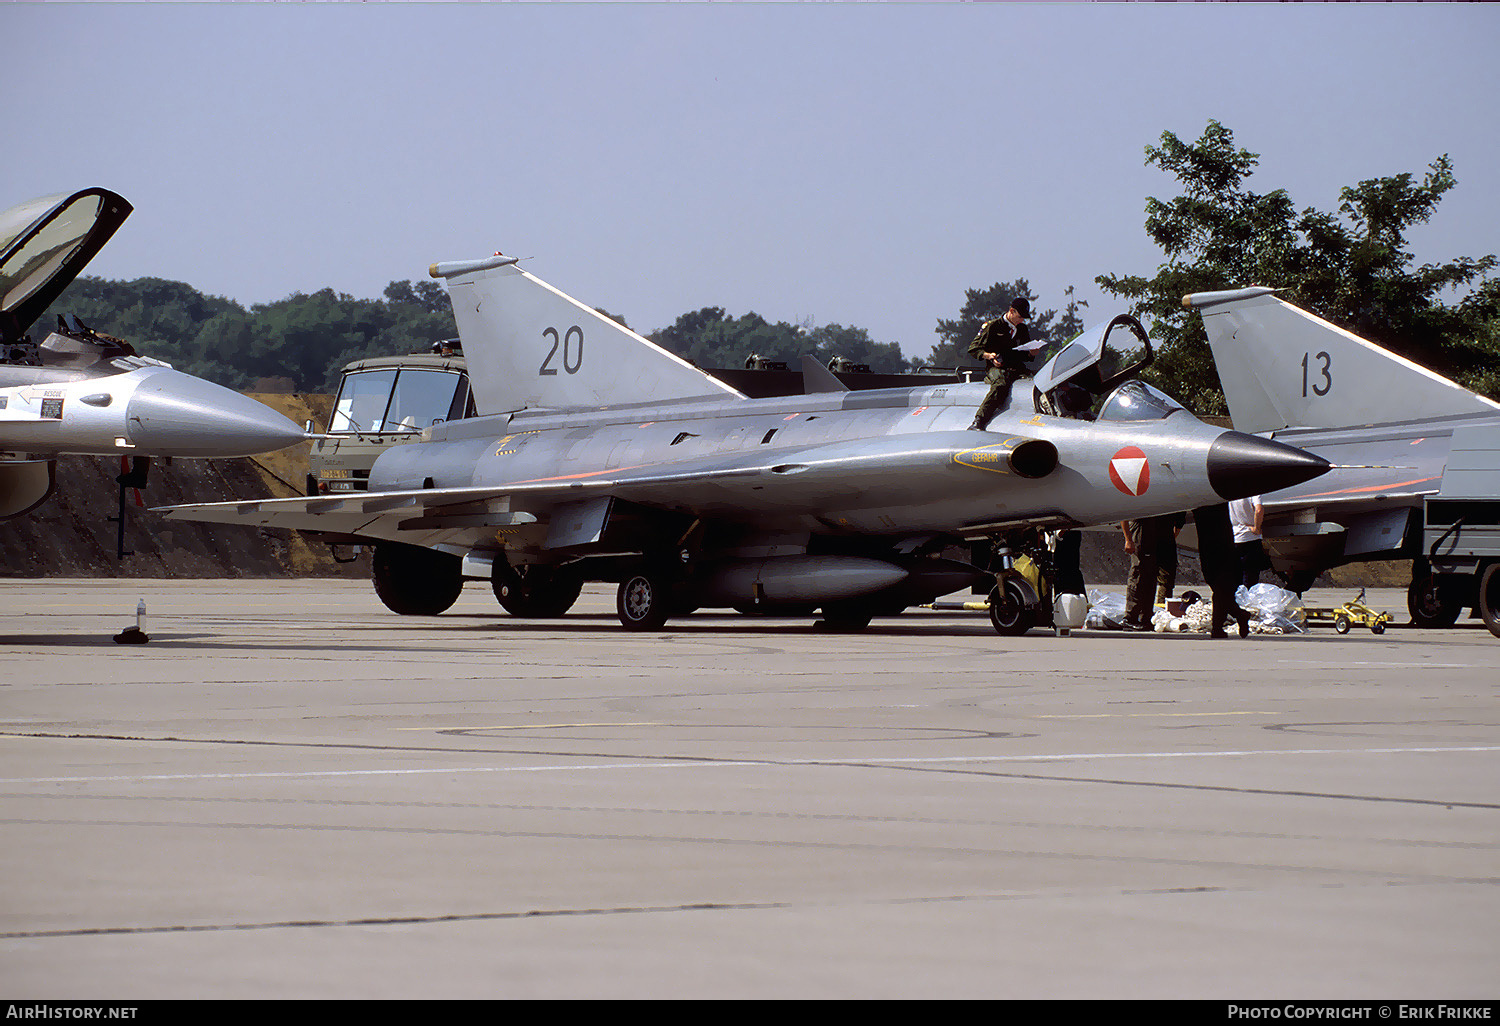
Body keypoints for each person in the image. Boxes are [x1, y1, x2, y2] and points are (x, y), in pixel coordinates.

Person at [967, 297, 1032, 430]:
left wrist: (1032, 353)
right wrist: (989, 356)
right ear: (1011, 311)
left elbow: (1025, 354)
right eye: (1020, 317)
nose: (1022, 320)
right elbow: (973, 349)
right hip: (996, 367)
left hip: (1016, 367)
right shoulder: (992, 326)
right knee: (1001, 384)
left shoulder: (1022, 329)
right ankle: (979, 420)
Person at [1193, 503, 1251, 638]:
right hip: (1216, 546)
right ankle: (1227, 622)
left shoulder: (1209, 502)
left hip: (1217, 548)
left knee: (1220, 588)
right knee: (1220, 590)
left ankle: (1225, 623)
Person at [1120, 515, 1170, 630]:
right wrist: (1128, 540)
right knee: (1138, 575)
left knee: (1150, 575)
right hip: (1139, 531)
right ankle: (1130, 617)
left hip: (1151, 532)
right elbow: (1124, 515)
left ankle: (1146, 617)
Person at [1230, 494, 1266, 587]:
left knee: (1236, 577)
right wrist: (1257, 528)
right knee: (1250, 578)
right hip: (1250, 538)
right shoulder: (1253, 492)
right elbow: (1259, 509)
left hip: (1235, 537)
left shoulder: (1229, 491)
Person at [1155, 511, 1186, 604]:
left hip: (1150, 537)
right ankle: (1161, 607)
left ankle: (1147, 609)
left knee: (1163, 579)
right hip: (1166, 538)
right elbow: (1180, 521)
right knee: (1165, 580)